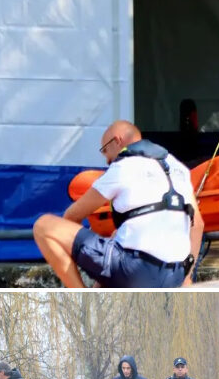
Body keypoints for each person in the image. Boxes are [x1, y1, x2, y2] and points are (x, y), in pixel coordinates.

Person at [32, 120, 205, 287]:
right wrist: (187, 278)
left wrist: (74, 256)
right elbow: (197, 225)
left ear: (117, 141)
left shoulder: (122, 167)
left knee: (44, 226)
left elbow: (72, 216)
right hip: (174, 276)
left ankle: (82, 300)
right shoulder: (179, 168)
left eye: (105, 150)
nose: (107, 160)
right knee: (116, 240)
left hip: (136, 271)